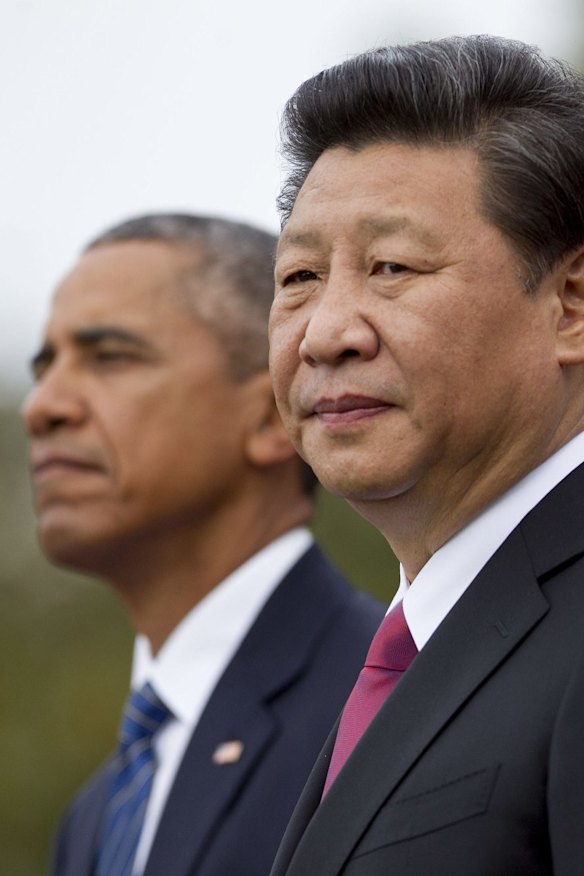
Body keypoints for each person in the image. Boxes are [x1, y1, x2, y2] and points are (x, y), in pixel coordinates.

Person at [268, 35, 584, 876]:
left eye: (392, 266)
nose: (326, 333)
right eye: (298, 277)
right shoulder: (425, 640)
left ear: (570, 304)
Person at [22, 212, 385, 876]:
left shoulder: (387, 705)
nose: (42, 406)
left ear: (275, 412)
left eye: (109, 357)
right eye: (45, 366)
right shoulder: (96, 813)